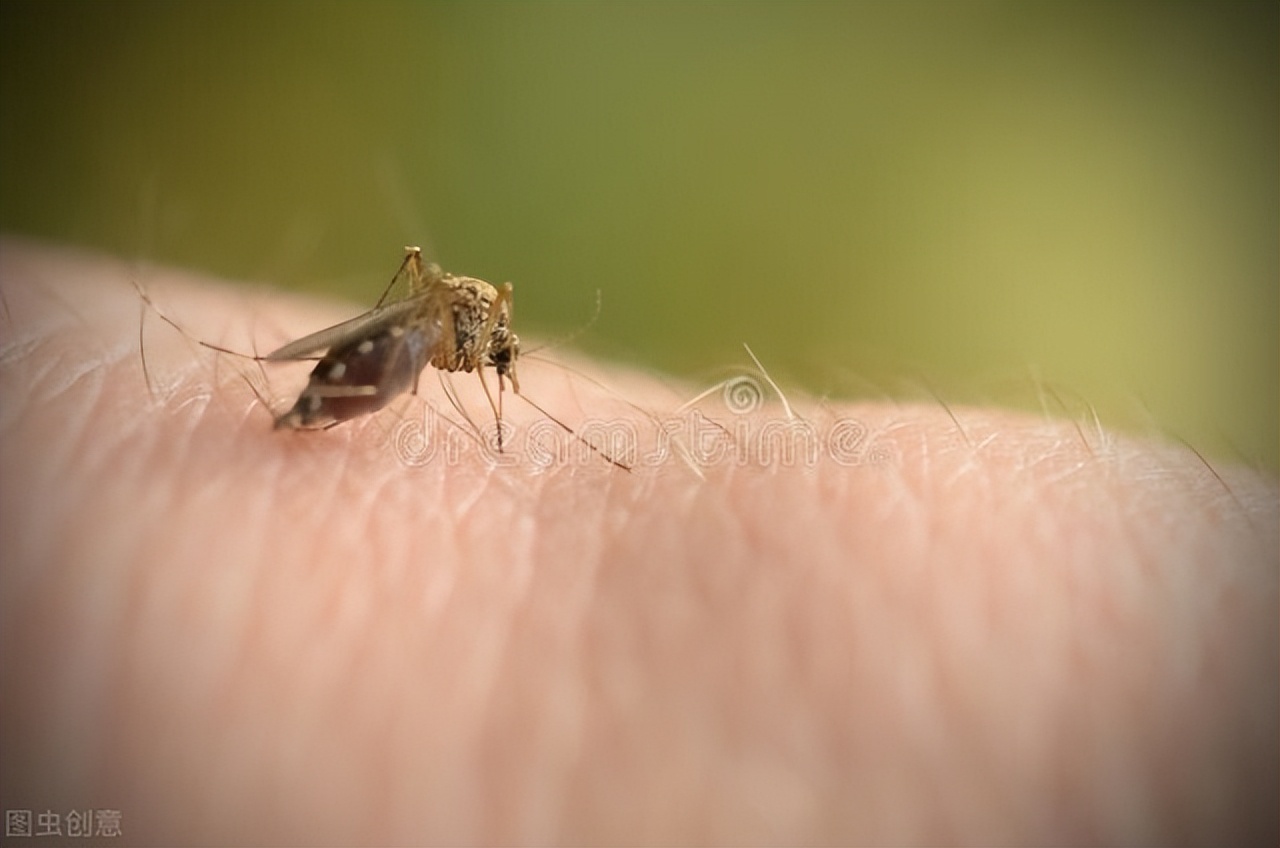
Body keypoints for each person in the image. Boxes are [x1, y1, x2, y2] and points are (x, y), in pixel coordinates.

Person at [1, 238, 1275, 845]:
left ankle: (303, 384)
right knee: (398, 344)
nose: (496, 361)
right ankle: (304, 384)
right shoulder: (451, 333)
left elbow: (472, 344)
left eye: (486, 347)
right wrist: (437, 347)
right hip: (379, 344)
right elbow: (444, 330)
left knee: (408, 342)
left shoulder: (474, 336)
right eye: (491, 348)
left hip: (389, 339)